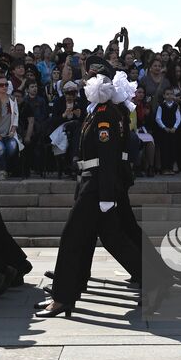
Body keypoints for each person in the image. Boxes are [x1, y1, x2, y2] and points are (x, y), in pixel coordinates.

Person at [37, 66, 143, 318]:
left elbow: (107, 159)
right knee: (110, 238)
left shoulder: (105, 115)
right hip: (92, 184)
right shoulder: (98, 113)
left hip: (95, 187)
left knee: (72, 237)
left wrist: (106, 195)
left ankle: (62, 298)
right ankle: (156, 282)